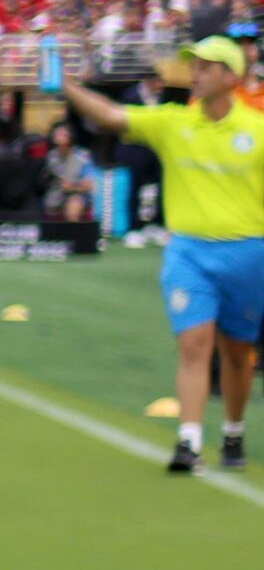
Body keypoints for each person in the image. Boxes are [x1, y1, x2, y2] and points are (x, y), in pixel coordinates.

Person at [62, 37, 263, 471]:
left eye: (207, 67)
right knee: (194, 343)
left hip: (248, 254)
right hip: (189, 252)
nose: (196, 73)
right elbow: (113, 116)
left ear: (230, 77)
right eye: (194, 66)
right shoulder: (174, 123)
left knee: (237, 353)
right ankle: (188, 440)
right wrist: (68, 88)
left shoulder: (257, 129)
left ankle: (232, 431)